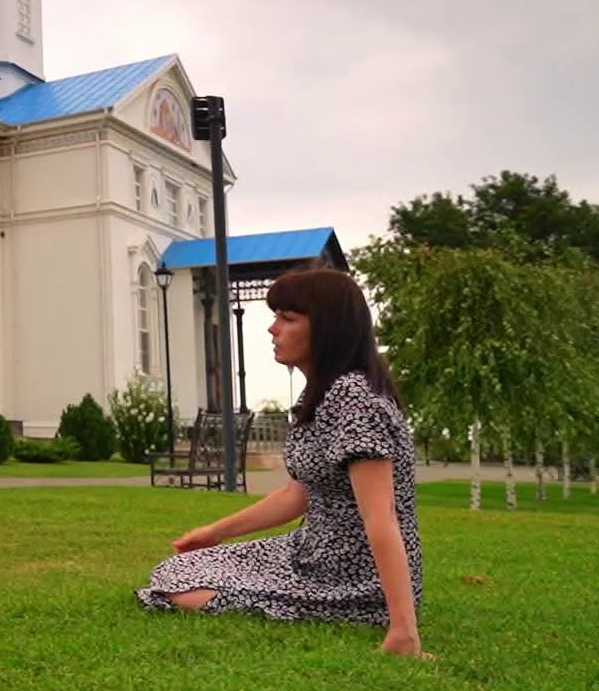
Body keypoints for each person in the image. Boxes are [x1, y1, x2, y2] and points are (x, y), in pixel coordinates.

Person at [136, 268, 426, 658]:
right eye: (276, 317)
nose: (273, 329)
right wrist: (214, 532)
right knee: (174, 571)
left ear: (328, 329)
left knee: (179, 588)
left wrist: (403, 630)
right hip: (308, 552)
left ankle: (351, 612)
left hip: (351, 576)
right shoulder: (321, 393)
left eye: (287, 319)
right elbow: (298, 494)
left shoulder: (353, 396)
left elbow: (382, 515)